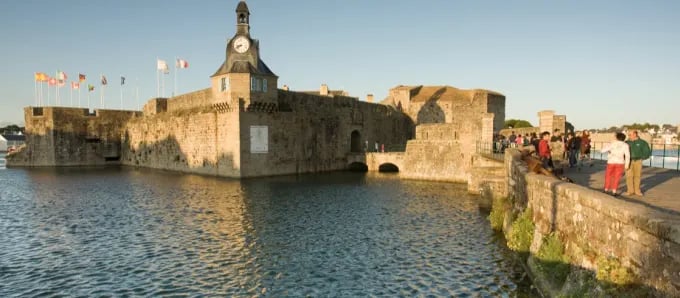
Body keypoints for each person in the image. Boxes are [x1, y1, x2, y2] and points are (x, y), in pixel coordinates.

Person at [625, 130, 651, 196]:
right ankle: (630, 191)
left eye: (630, 134)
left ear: (635, 134)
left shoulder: (642, 142)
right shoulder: (626, 142)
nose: (629, 136)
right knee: (629, 176)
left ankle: (637, 191)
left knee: (637, 176)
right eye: (628, 135)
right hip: (628, 161)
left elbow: (647, 151)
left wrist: (643, 157)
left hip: (638, 161)